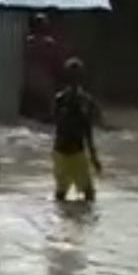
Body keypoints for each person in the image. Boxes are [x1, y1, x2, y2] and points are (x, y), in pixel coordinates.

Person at [52, 57, 102, 202]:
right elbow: (87, 131)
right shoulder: (79, 101)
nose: (74, 81)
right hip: (69, 151)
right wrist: (94, 158)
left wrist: (93, 157)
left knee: (66, 193)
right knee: (85, 194)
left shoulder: (62, 100)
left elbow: (85, 130)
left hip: (65, 151)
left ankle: (58, 218)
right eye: (72, 77)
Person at [21, 13, 66, 123]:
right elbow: (55, 59)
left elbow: (25, 57)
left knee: (33, 104)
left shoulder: (29, 41)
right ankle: (49, 116)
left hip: (31, 76)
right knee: (49, 102)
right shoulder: (49, 42)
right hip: (44, 77)